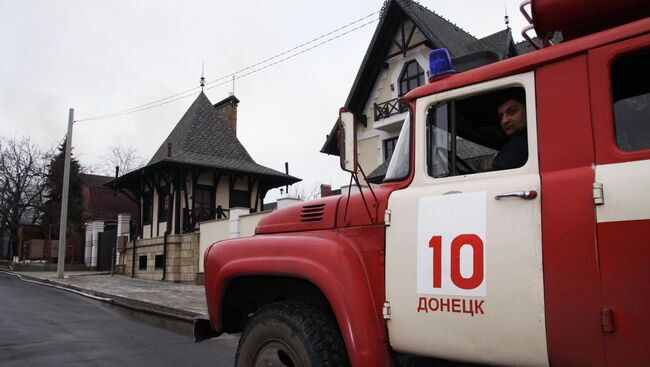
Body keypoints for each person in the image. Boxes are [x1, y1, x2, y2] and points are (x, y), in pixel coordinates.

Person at [492, 89, 528, 170]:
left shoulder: (519, 147)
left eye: (512, 111)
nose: (505, 121)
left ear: (528, 109)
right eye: (501, 116)